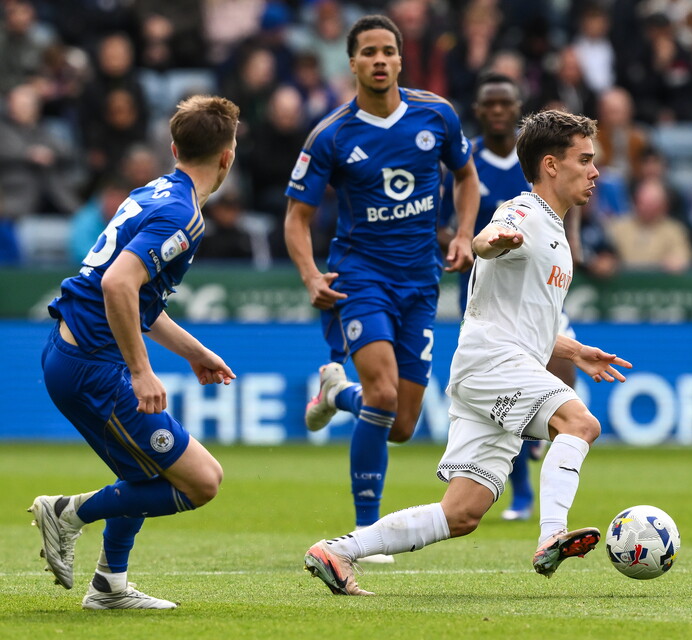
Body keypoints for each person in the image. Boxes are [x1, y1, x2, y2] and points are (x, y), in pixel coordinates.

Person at [302, 109, 631, 596]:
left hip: (491, 361)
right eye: (584, 160)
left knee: (462, 513)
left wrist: (575, 349)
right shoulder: (524, 213)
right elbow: (486, 239)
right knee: (580, 424)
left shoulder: (557, 230)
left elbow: (521, 321)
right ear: (551, 165)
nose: (595, 171)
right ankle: (550, 536)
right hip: (494, 363)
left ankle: (336, 551)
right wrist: (488, 241)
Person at [29, 95, 240, 609]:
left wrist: (193, 352)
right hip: (91, 370)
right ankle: (67, 512)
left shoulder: (155, 192)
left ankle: (109, 587)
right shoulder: (181, 216)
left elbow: (138, 299)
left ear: (173, 148)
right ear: (228, 157)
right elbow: (118, 286)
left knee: (143, 473)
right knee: (201, 482)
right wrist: (142, 372)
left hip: (70, 355)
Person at [284, 15, 480, 563]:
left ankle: (333, 394)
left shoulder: (435, 115)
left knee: (401, 425)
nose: (378, 60)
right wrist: (309, 274)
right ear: (351, 62)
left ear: (399, 59)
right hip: (360, 277)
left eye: (387, 51)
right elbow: (296, 219)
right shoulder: (331, 134)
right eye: (367, 51)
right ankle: (364, 535)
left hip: (420, 282)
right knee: (384, 394)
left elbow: (466, 178)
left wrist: (465, 233)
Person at [439, 72, 577, 522]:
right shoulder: (466, 161)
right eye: (489, 104)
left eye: (505, 103)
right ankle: (521, 491)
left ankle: (535, 458)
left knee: (559, 371)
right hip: (489, 289)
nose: (497, 111)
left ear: (517, 108)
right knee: (520, 388)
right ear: (478, 111)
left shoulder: (536, 161)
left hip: (539, 281)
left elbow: (562, 213)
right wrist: (470, 241)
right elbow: (449, 224)